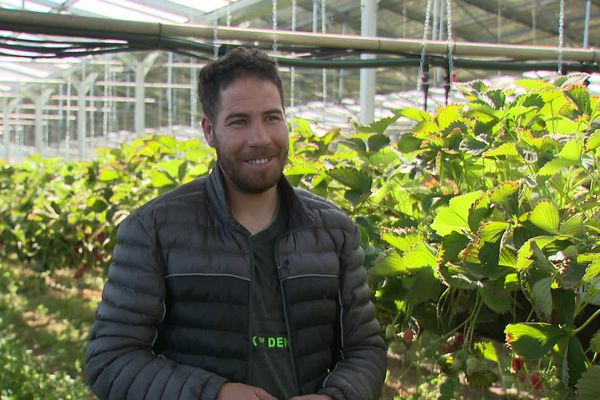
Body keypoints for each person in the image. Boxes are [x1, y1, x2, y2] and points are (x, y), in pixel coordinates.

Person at [85, 47, 387, 400]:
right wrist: (214, 394)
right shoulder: (154, 229)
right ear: (209, 131)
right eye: (239, 121)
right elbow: (111, 360)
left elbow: (365, 348)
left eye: (272, 117)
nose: (260, 137)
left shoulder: (333, 230)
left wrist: (336, 396)